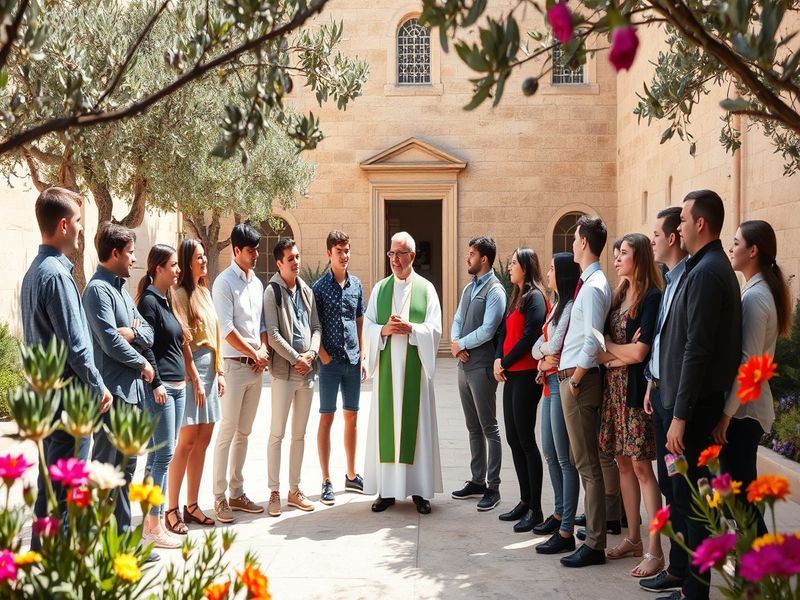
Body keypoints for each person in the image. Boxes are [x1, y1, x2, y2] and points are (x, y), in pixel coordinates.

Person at [20, 187, 112, 550]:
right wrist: (98, 385)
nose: (80, 230)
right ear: (62, 225)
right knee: (65, 489)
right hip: (69, 402)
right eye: (77, 221)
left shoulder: (35, 271)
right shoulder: (57, 276)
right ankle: (56, 566)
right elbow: (76, 346)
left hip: (49, 399)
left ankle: (43, 559)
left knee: (52, 485)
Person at [662, 190, 742, 600]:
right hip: (687, 405)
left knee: (694, 502)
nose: (677, 227)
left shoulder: (709, 271)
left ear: (700, 224)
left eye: (684, 219)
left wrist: (679, 415)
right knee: (683, 494)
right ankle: (689, 587)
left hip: (692, 410)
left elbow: (698, 348)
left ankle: (696, 594)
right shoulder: (703, 266)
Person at [713, 220, 790, 535]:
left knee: (740, 496)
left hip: (745, 412)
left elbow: (749, 364)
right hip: (744, 410)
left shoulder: (756, 297)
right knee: (735, 494)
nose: (731, 248)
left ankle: (760, 565)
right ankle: (750, 559)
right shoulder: (756, 290)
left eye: (736, 242)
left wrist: (726, 416)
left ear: (753, 250)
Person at [596, 233, 664, 576]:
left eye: (623, 253)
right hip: (614, 391)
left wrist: (616, 353)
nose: (617, 258)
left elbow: (642, 352)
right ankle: (633, 538)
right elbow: (604, 348)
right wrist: (620, 354)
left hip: (636, 393)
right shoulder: (619, 293)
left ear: (639, 257)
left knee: (641, 467)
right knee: (622, 463)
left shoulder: (652, 297)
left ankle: (655, 548)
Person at [363, 231, 443, 514]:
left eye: (400, 254)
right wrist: (382, 330)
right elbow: (368, 326)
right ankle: (387, 491)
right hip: (387, 370)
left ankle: (419, 491)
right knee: (387, 430)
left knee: (415, 427)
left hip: (415, 374)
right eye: (391, 254)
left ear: (412, 256)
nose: (395, 260)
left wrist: (411, 329)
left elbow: (435, 329)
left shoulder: (426, 289)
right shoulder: (379, 289)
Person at [83, 222, 155, 532]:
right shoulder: (98, 291)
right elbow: (110, 342)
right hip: (112, 397)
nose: (134, 259)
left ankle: (123, 540)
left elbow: (149, 333)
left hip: (133, 396)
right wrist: (142, 363)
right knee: (105, 472)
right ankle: (99, 543)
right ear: (115, 253)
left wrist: (134, 332)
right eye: (130, 253)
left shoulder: (121, 291)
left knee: (127, 469)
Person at [557, 215, 612, 568]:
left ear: (585, 243)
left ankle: (595, 544)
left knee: (587, 464)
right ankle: (593, 536)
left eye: (575, 238)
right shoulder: (587, 282)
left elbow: (593, 340)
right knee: (584, 463)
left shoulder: (592, 287)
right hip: (574, 377)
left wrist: (575, 380)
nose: (572, 243)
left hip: (580, 380)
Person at [639, 207, 689, 595]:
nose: (653, 238)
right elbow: (660, 344)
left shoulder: (688, 279)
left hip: (676, 406)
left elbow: (692, 350)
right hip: (660, 395)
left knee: (680, 489)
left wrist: (678, 411)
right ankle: (676, 566)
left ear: (673, 237)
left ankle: (682, 570)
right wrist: (651, 383)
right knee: (671, 488)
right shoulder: (671, 280)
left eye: (658, 233)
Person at [212, 224, 269, 523]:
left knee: (244, 433)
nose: (256, 254)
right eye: (251, 250)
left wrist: (262, 351)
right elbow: (227, 329)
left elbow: (259, 326)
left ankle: (237, 492)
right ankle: (219, 498)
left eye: (257, 249)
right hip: (234, 367)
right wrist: (254, 352)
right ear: (236, 251)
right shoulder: (223, 283)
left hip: (255, 369)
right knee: (227, 432)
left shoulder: (257, 284)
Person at [168, 239, 225, 534]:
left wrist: (221, 371)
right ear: (188, 260)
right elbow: (183, 340)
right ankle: (171, 508)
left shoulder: (205, 291)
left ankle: (192, 505)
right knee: (186, 442)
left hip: (211, 372)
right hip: (193, 374)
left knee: (203, 442)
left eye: (205, 257)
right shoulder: (177, 294)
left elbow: (216, 335)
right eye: (200, 257)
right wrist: (195, 378)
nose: (204, 261)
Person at [264, 238, 322, 516]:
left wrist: (310, 353)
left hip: (307, 373)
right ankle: (274, 492)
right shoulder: (271, 292)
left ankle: (294, 490)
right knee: (278, 433)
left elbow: (316, 327)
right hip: (284, 374)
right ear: (279, 263)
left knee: (299, 435)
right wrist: (295, 358)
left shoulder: (307, 291)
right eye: (290, 258)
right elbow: (273, 335)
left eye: (297, 256)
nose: (296, 262)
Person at [450, 236, 506, 511]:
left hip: (482, 367)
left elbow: (488, 329)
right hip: (464, 366)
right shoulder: (468, 289)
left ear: (484, 259)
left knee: (489, 427)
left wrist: (462, 343)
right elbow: (458, 318)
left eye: (471, 253)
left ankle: (493, 487)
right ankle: (477, 480)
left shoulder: (496, 291)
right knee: (473, 427)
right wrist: (455, 342)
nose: (467, 257)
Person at [494, 248, 548, 532]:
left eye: (514, 262)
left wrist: (506, 361)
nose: (511, 266)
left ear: (526, 267)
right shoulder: (515, 296)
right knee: (513, 439)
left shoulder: (535, 297)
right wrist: (497, 360)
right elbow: (504, 331)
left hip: (526, 375)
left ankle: (536, 509)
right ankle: (525, 501)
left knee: (526, 440)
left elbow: (530, 336)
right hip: (511, 374)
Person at [136, 244, 186, 549]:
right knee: (163, 457)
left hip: (177, 388)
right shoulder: (150, 304)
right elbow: (146, 347)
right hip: (162, 388)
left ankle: (148, 521)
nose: (178, 270)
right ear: (158, 269)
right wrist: (155, 383)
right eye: (173, 265)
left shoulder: (166, 301)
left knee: (158, 456)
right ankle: (154, 525)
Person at [312, 231, 367, 505]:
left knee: (352, 417)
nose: (344, 255)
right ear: (329, 254)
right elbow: (314, 326)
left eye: (347, 250)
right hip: (330, 363)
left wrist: (363, 355)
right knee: (326, 418)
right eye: (339, 251)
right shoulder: (319, 288)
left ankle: (351, 474)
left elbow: (360, 321)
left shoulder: (357, 284)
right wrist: (322, 357)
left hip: (353, 362)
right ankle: (325, 480)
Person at [532, 252, 581, 554]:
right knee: (550, 451)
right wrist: (542, 359)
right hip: (548, 381)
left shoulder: (571, 307)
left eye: (551, 269)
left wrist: (543, 354)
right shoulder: (557, 306)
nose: (547, 273)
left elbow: (554, 344)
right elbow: (543, 346)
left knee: (565, 458)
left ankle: (566, 531)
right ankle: (560, 512)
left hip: (559, 380)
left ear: (561, 274)